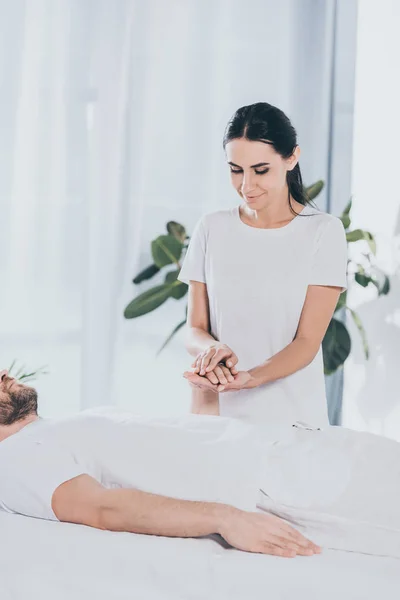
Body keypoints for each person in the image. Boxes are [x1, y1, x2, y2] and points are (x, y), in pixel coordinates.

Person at [1, 370, 400, 560]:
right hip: (288, 479)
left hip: (301, 444)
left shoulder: (54, 429)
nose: (4, 372)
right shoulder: (14, 458)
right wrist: (225, 518)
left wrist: (204, 395)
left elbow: (181, 456)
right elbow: (102, 508)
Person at [178, 102, 348, 428]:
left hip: (291, 420)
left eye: (260, 170)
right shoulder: (211, 228)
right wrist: (214, 348)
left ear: (291, 158)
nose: (246, 186)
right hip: (215, 419)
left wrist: (250, 378)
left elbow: (307, 343)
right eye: (235, 170)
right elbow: (194, 329)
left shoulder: (323, 232)